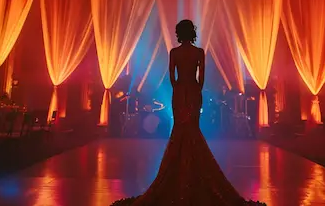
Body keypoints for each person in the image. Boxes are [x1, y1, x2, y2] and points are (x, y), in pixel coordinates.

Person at [111, 20, 264, 206]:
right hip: (193, 91)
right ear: (192, 33)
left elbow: (172, 77)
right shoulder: (199, 52)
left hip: (179, 92)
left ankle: (177, 174)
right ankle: (194, 172)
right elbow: (201, 79)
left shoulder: (174, 52)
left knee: (179, 129)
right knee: (193, 128)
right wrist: (194, 90)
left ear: (178, 33)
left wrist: (179, 89)